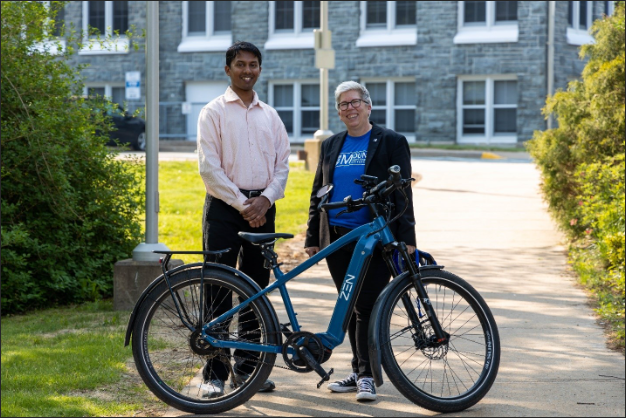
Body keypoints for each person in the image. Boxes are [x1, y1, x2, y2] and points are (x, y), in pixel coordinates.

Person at [305, 81, 416, 402]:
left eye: (355, 102)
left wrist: (407, 237)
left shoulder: (391, 141)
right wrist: (313, 235)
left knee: (367, 305)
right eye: (343, 104)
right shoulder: (330, 145)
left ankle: (366, 375)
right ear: (338, 112)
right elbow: (318, 192)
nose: (350, 108)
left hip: (374, 238)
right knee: (349, 305)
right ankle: (358, 371)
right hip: (337, 238)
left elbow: (402, 192)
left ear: (368, 106)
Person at [197, 41, 290, 398]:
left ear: (260, 69)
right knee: (218, 288)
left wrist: (264, 200)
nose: (247, 70)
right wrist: (242, 204)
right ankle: (215, 373)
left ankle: (249, 369)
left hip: (263, 209)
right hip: (224, 209)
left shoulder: (271, 115)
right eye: (240, 64)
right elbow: (209, 168)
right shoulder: (213, 111)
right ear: (228, 69)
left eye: (253, 64)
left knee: (256, 290)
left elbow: (282, 164)